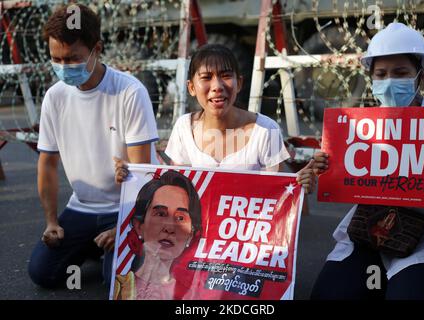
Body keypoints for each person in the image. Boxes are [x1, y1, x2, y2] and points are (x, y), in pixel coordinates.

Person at [311, 22, 424, 300]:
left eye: (400, 73)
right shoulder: (354, 128)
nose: (389, 82)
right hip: (366, 232)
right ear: (371, 80)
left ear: (420, 77)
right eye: (381, 74)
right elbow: (340, 180)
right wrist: (322, 169)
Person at [28, 4, 159, 289]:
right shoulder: (55, 97)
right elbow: (47, 163)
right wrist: (52, 221)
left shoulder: (129, 92)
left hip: (126, 207)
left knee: (117, 283)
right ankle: (95, 246)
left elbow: (143, 171)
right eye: (56, 59)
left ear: (96, 48)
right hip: (82, 208)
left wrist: (126, 227)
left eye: (72, 59)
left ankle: (130, 243)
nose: (64, 68)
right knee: (41, 273)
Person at [116, 44, 316, 193]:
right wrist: (131, 174)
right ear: (191, 88)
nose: (217, 85)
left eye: (225, 75)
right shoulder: (184, 128)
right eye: (206, 77)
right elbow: (178, 190)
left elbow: (276, 193)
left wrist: (300, 185)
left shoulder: (265, 129)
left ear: (239, 83)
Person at [114, 170, 201, 300]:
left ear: (191, 235)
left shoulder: (195, 294)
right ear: (139, 226)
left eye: (181, 218)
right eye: (160, 214)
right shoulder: (119, 288)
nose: (170, 228)